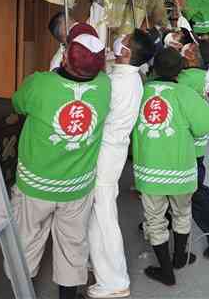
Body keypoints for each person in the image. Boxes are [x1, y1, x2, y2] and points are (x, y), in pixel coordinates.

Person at [6, 24, 111, 299]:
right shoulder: (104, 85)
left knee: (26, 240)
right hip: (76, 187)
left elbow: (18, 104)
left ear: (65, 57)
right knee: (72, 244)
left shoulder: (40, 83)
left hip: (35, 185)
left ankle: (22, 292)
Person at [133, 48, 209, 286]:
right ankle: (180, 257)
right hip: (181, 170)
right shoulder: (186, 93)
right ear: (180, 70)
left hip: (149, 172)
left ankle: (166, 270)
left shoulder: (139, 92)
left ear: (154, 68)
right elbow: (203, 126)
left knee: (155, 219)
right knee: (182, 213)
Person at [88, 30, 155, 299]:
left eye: (123, 41)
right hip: (112, 151)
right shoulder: (128, 76)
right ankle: (99, 264)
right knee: (98, 212)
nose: (118, 41)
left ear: (126, 52)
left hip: (106, 153)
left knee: (103, 215)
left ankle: (115, 281)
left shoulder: (119, 83)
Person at [178, 42, 209, 258]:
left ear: (192, 57)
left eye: (185, 49)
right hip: (192, 145)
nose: (181, 50)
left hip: (186, 146)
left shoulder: (185, 79)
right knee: (178, 188)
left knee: (195, 191)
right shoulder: (200, 75)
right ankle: (163, 221)